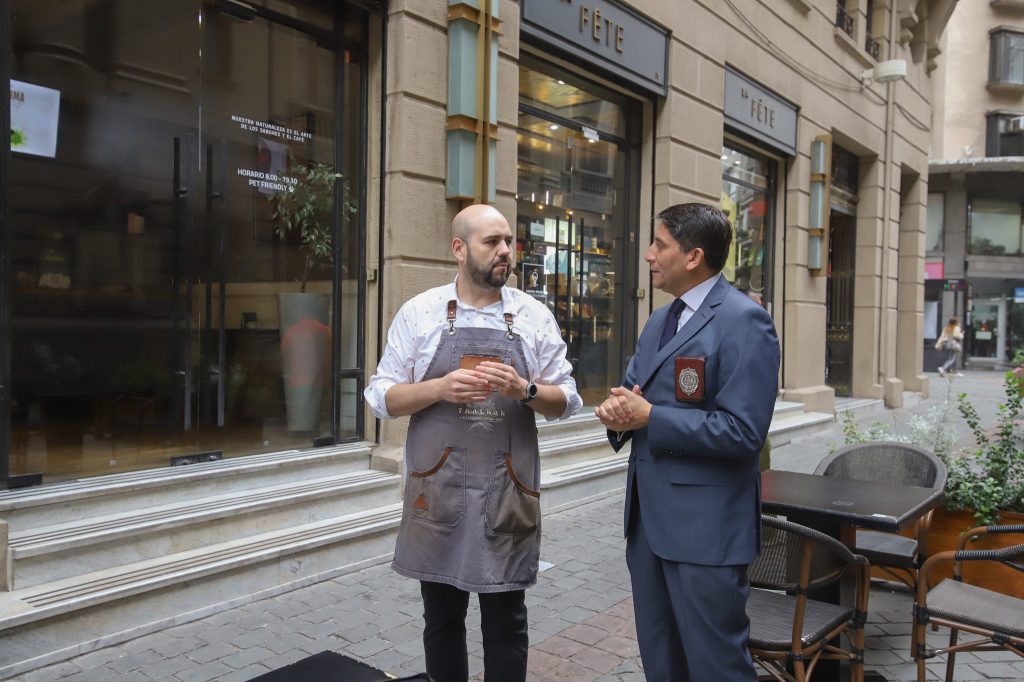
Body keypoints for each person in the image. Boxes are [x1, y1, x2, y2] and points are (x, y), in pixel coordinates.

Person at [364, 204, 581, 682]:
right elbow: (381, 397)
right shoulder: (420, 313)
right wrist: (438, 388)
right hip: (438, 490)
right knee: (441, 621)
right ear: (459, 250)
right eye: (492, 242)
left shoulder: (533, 316)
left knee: (507, 623)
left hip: (507, 492)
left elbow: (568, 400)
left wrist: (524, 389)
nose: (506, 251)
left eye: (508, 241)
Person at [595, 203, 779, 682]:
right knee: (662, 662)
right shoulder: (659, 320)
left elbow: (744, 432)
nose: (649, 254)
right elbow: (634, 392)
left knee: (716, 666)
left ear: (694, 256)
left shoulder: (744, 321)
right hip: (648, 526)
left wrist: (652, 417)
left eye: (660, 245)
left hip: (706, 532)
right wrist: (617, 413)